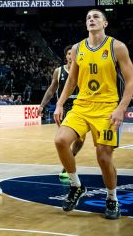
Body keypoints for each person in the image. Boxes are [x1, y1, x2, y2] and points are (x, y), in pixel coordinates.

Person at [53, 9, 133, 220]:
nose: (91, 19)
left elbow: (131, 82)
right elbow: (71, 81)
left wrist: (120, 108)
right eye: (88, 17)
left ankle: (112, 198)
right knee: (61, 140)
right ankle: (76, 186)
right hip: (82, 106)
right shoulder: (78, 48)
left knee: (103, 158)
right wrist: (60, 104)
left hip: (107, 109)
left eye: (96, 16)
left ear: (105, 23)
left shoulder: (117, 47)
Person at [36, 45, 84, 180]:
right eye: (69, 53)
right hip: (64, 106)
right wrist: (42, 105)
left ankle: (71, 157)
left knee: (80, 139)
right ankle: (67, 167)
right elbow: (51, 90)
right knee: (65, 139)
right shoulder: (58, 71)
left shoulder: (83, 69)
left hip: (80, 106)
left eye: (73, 53)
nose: (71, 56)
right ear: (66, 56)